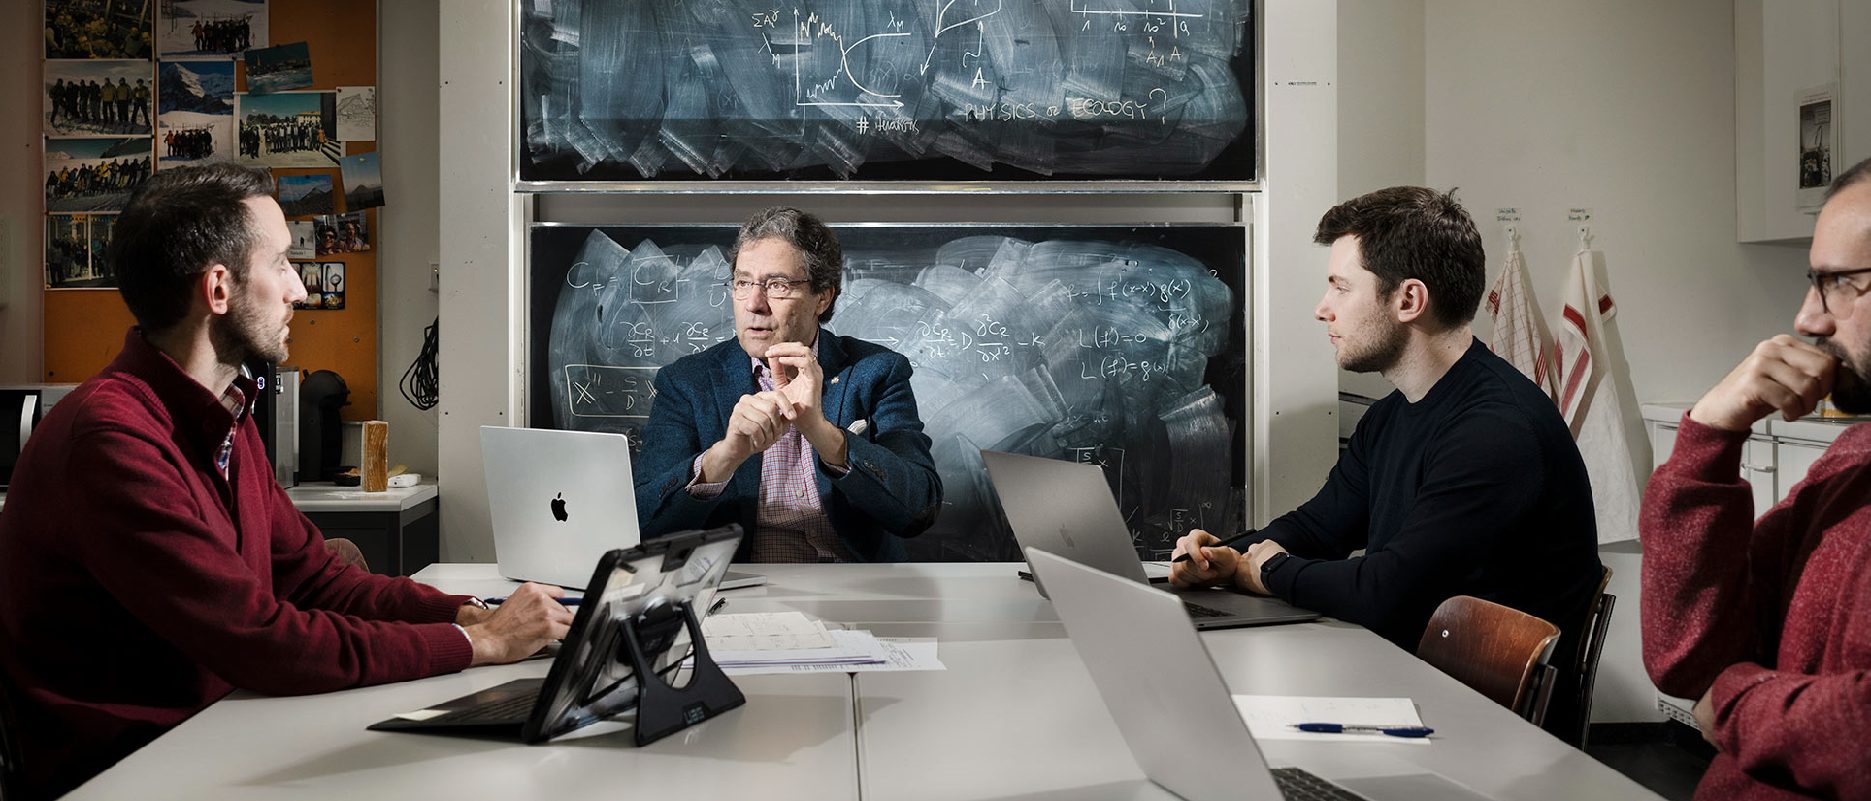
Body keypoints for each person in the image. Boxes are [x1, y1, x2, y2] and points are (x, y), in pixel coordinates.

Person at [0, 164, 574, 800]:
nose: (299, 289)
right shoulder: (111, 440)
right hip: (135, 773)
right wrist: (475, 644)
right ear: (218, 289)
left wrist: (471, 612)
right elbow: (262, 640)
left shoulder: (225, 414)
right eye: (282, 264)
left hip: (222, 735)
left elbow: (315, 580)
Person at [1170, 186, 1603, 738]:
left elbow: (1386, 593)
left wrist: (1270, 571)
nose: (1322, 308)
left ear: (1408, 301)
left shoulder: (1497, 433)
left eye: (1340, 287)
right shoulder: (1393, 416)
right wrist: (1223, 556)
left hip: (1482, 731)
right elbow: (1317, 528)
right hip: (1415, 686)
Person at [1642, 157, 1871, 800]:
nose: (1807, 319)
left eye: (1839, 283)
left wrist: (1744, 705)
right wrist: (1709, 437)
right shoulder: (1852, 459)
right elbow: (1686, 656)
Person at [635, 206, 942, 562]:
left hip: (855, 588)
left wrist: (825, 434)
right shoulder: (687, 383)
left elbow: (918, 510)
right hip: (743, 591)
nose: (754, 304)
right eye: (743, 282)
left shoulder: (877, 372)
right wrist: (725, 456)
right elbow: (645, 525)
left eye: (777, 286)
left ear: (822, 297)